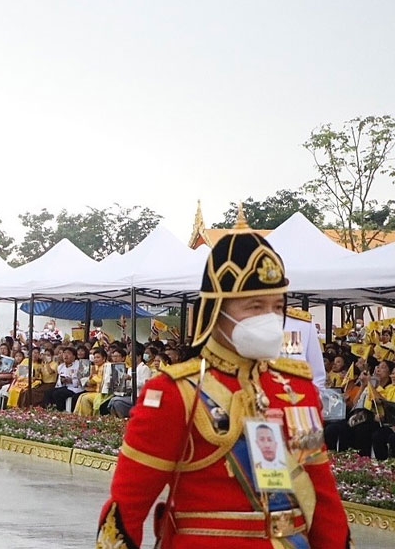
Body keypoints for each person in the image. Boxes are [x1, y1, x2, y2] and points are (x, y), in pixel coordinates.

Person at [97, 228, 349, 548]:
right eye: (255, 307)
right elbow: (126, 510)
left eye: (277, 306)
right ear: (216, 311)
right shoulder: (174, 394)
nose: (271, 319)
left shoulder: (296, 389)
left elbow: (322, 496)